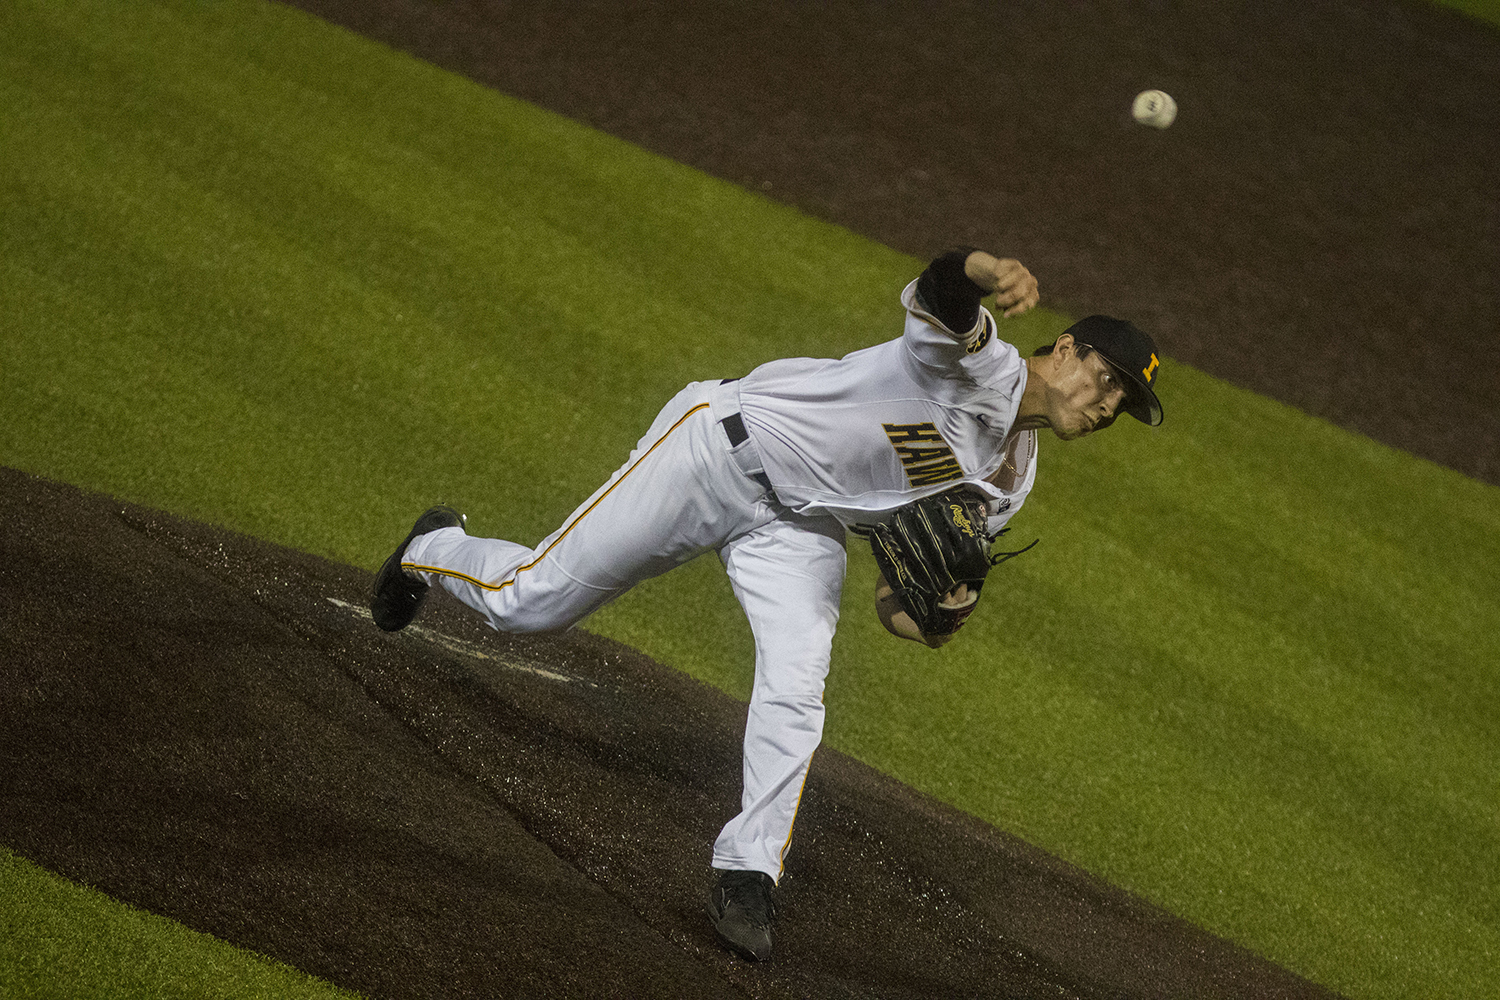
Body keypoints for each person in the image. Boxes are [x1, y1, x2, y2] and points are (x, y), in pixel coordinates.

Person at [369, 247, 1164, 962]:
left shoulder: (1009, 483)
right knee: (529, 604)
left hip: (800, 527)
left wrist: (934, 617)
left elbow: (895, 601)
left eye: (1122, 406)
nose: (1105, 406)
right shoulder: (978, 365)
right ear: (1065, 348)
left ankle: (748, 871)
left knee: (797, 679)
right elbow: (940, 294)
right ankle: (430, 547)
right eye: (1107, 380)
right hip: (716, 452)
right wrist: (986, 269)